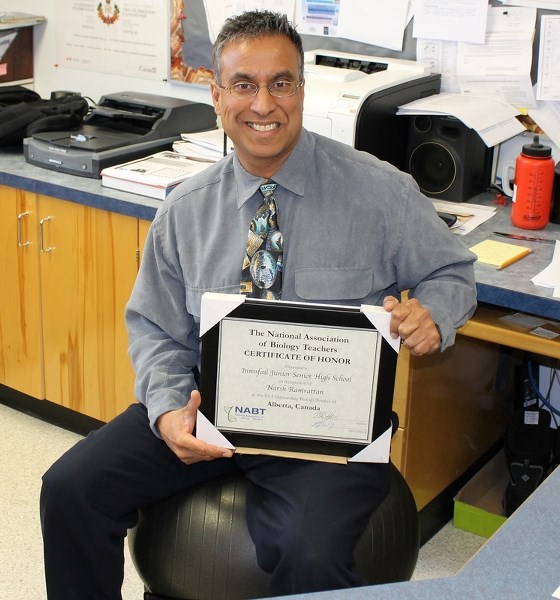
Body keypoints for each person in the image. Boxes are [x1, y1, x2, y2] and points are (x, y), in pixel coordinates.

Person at [40, 10, 477, 600]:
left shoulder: (381, 192)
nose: (263, 104)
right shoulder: (186, 208)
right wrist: (170, 412)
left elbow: (451, 271)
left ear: (301, 89)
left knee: (308, 550)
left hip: (327, 431)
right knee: (69, 488)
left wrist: (434, 313)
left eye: (281, 83)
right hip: (208, 404)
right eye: (244, 84)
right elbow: (155, 329)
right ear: (217, 95)